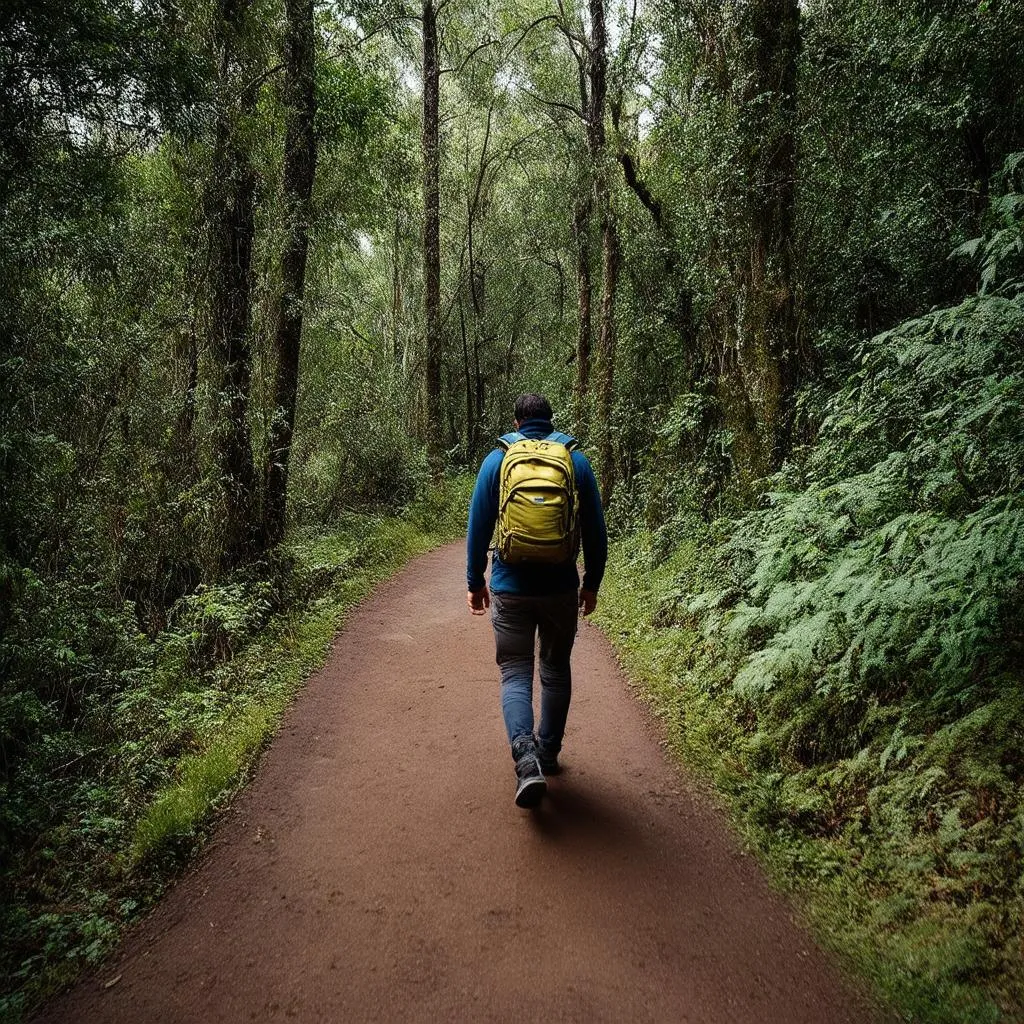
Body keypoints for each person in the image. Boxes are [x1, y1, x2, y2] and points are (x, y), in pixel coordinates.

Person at [466, 392, 607, 808]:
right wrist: (591, 582)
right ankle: (548, 752)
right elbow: (596, 532)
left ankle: (526, 759)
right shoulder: (575, 461)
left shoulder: (498, 461)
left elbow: (478, 526)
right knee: (555, 668)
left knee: (514, 672)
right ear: (550, 422)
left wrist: (476, 581)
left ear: (517, 423)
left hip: (510, 587)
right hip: (561, 587)